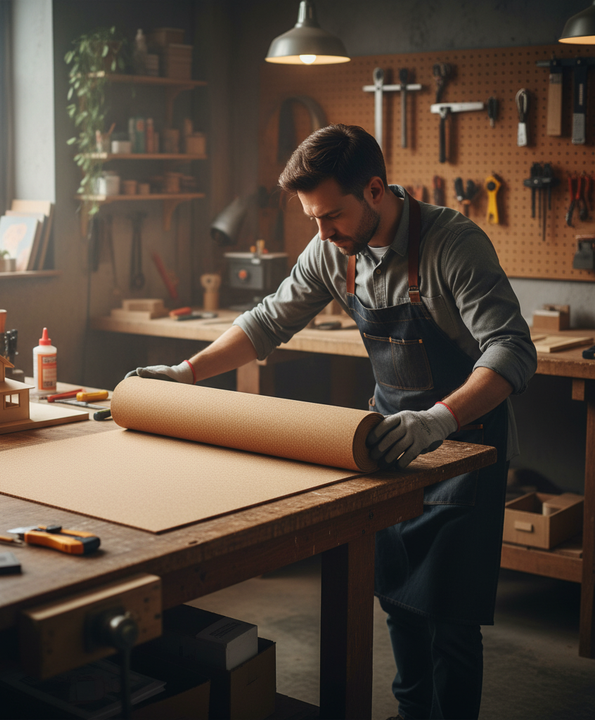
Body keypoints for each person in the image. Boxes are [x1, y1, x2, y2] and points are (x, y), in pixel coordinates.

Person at [127, 124, 537, 720]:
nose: (322, 234)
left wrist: (437, 420)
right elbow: (267, 321)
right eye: (312, 219)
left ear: (375, 190)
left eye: (332, 217)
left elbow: (511, 350)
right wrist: (187, 372)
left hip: (463, 445)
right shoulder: (333, 248)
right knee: (397, 599)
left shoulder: (453, 244)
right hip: (390, 445)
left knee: (449, 620)